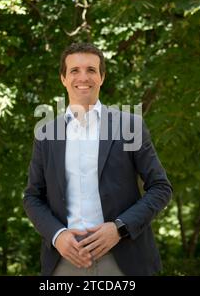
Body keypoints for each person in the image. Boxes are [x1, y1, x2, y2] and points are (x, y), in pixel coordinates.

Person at [23, 42, 173, 276]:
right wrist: (57, 235)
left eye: (91, 70)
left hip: (124, 260)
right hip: (63, 263)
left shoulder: (129, 126)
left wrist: (119, 228)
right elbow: (32, 197)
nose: (83, 77)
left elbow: (161, 188)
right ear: (63, 78)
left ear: (102, 77)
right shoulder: (46, 134)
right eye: (74, 70)